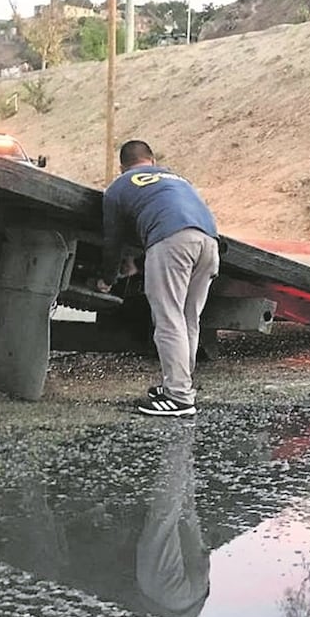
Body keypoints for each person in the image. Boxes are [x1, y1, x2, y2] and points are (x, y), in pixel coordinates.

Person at [97, 140, 220, 417]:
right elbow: (163, 214)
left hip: (172, 241)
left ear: (122, 167)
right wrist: (137, 262)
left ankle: (179, 398)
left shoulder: (119, 186)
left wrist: (107, 277)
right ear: (152, 160)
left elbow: (113, 239)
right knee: (188, 318)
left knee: (168, 318)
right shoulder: (177, 179)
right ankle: (180, 386)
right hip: (209, 242)